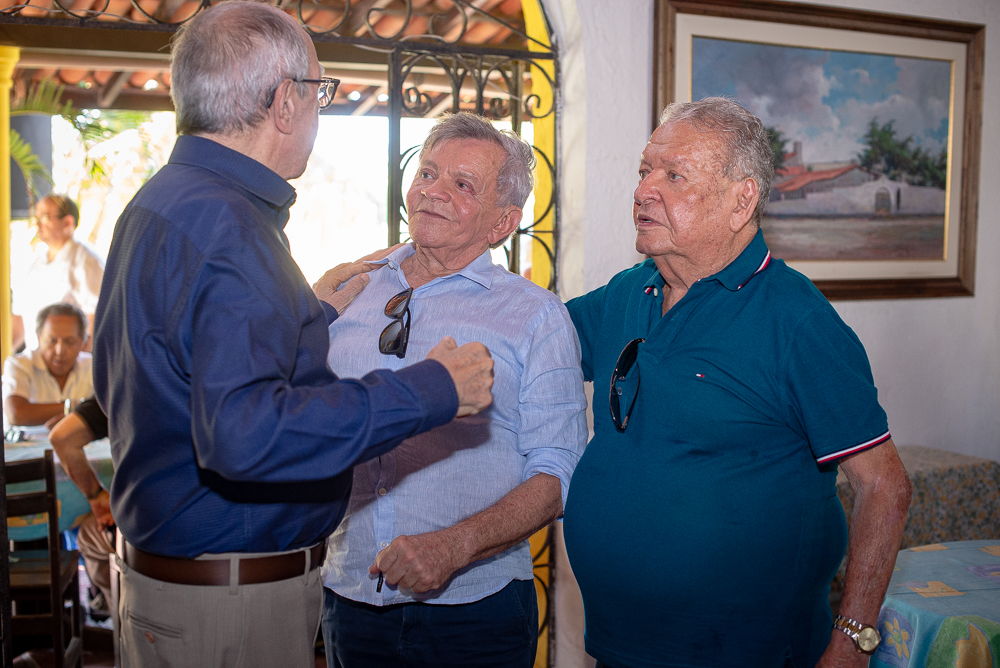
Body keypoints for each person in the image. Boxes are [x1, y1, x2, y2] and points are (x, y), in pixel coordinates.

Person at [91, 3, 494, 667]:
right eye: (319, 91)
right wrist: (430, 390)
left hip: (177, 585)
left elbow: (173, 360)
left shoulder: (166, 201)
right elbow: (248, 436)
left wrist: (305, 314)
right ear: (284, 102)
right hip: (228, 608)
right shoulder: (230, 232)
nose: (318, 112)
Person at [561, 98, 913, 668]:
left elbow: (885, 487)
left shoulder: (798, 323)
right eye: (644, 170)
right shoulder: (628, 292)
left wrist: (851, 643)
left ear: (741, 200)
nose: (644, 189)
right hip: (620, 647)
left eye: (673, 175)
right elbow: (530, 345)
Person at [320, 113, 588, 668]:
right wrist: (305, 310)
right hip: (351, 598)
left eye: (462, 185)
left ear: (502, 223)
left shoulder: (535, 316)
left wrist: (455, 546)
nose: (431, 192)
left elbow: (558, 473)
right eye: (427, 173)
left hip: (475, 610)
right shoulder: (347, 288)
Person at [11, 194, 104, 352]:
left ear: (67, 222)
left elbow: (94, 322)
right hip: (36, 365)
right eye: (36, 217)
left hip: (70, 366)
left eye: (45, 217)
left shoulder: (88, 262)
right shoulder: (35, 263)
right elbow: (19, 321)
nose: (38, 223)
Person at [48, 397, 113, 618]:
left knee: (88, 535)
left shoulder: (125, 378)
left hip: (149, 528)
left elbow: (62, 438)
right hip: (218, 525)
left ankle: (114, 612)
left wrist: (97, 497)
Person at [2, 302, 93, 430]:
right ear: (39, 338)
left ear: (84, 342)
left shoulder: (93, 367)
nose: (60, 350)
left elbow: (113, 410)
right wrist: (79, 408)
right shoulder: (19, 364)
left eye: (70, 341)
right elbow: (16, 414)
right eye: (52, 341)